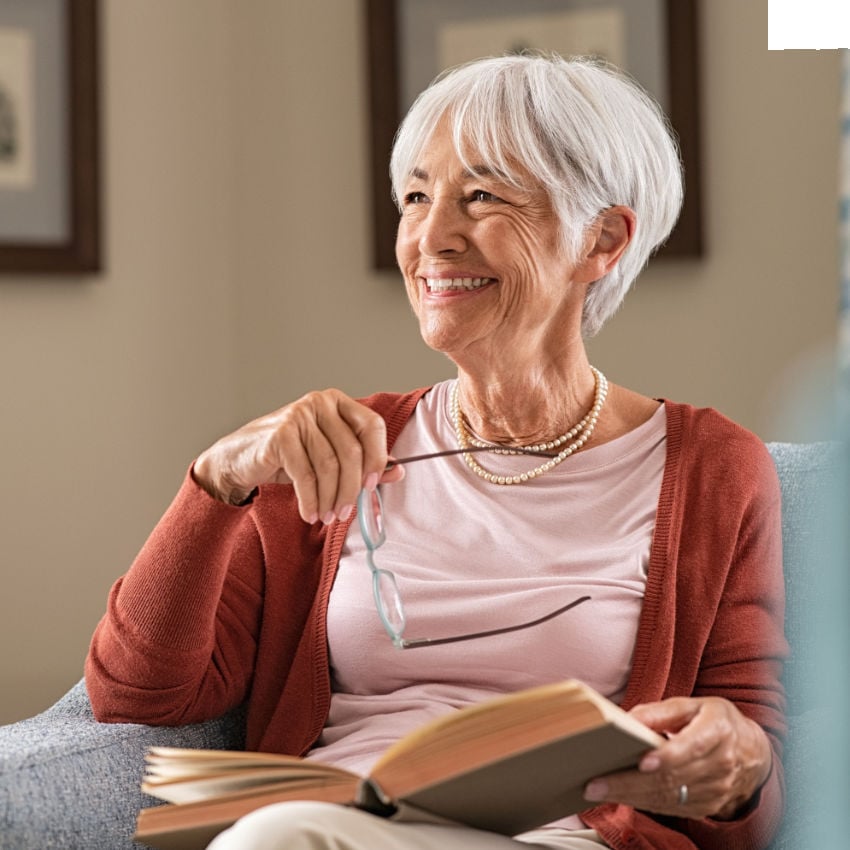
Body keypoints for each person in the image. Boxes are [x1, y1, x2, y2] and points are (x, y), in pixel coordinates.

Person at [85, 53, 786, 850]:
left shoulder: (713, 469)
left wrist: (741, 762)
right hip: (337, 822)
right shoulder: (335, 450)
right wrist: (217, 482)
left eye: (481, 197)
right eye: (416, 197)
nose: (431, 237)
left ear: (602, 238)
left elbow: (750, 787)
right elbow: (135, 694)